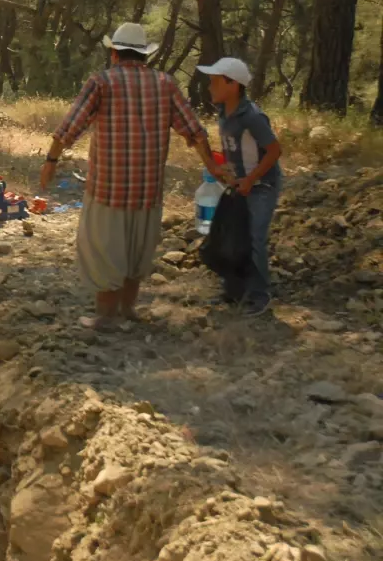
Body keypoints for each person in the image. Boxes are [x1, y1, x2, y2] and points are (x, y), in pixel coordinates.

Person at [40, 22, 224, 330]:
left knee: (105, 250)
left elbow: (69, 128)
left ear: (114, 53)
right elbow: (194, 131)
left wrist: (50, 161)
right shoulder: (165, 84)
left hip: (108, 190)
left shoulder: (101, 82)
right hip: (147, 190)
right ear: (144, 57)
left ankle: (106, 317)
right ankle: (128, 310)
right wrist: (214, 166)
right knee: (138, 250)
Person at [197, 57, 284, 317]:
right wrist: (224, 169)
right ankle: (233, 291)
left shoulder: (253, 116)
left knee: (254, 237)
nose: (210, 87)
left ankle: (259, 295)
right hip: (240, 185)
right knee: (232, 235)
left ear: (232, 84)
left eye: (214, 81)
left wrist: (250, 178)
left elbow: (274, 150)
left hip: (262, 186)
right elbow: (236, 150)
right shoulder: (224, 112)